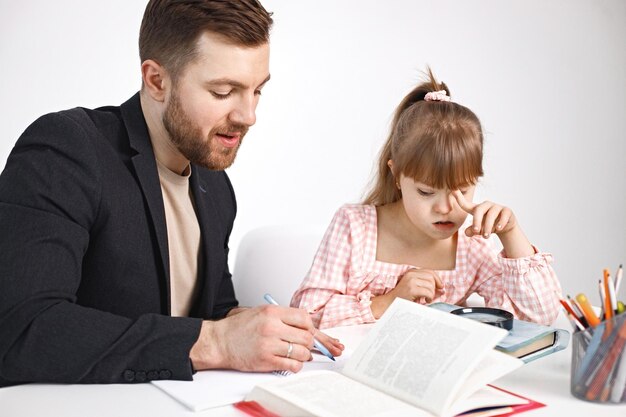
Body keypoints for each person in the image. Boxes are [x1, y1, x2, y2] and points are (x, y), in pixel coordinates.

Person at [0, 0, 342, 387]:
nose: (249, 115)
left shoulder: (216, 186)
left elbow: (213, 309)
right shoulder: (68, 149)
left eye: (257, 91)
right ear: (157, 80)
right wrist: (215, 342)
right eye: (224, 91)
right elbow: (20, 328)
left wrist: (260, 328)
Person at [291, 69, 562, 329]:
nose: (445, 208)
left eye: (462, 191)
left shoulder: (471, 246)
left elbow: (539, 318)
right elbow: (307, 314)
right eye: (426, 192)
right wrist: (389, 301)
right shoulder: (355, 226)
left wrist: (511, 235)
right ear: (396, 175)